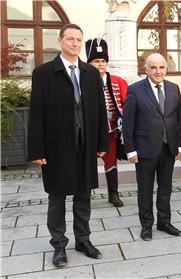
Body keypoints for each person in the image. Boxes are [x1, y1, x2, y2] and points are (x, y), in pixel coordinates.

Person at [27, 24, 108, 268]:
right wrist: (37, 149)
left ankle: (83, 239)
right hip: (56, 147)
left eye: (78, 40)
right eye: (70, 39)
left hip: (85, 144)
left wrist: (102, 141)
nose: (74, 43)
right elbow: (36, 114)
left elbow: (100, 110)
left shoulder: (91, 73)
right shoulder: (43, 73)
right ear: (60, 40)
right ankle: (59, 245)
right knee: (57, 197)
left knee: (84, 195)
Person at [122, 53, 181, 241]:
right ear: (146, 69)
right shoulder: (135, 90)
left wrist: (180, 144)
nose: (158, 71)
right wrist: (130, 149)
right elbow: (128, 122)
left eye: (162, 67)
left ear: (166, 68)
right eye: (154, 67)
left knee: (166, 187)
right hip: (144, 149)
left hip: (168, 147)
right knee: (145, 189)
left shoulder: (174, 88)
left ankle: (164, 221)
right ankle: (146, 225)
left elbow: (177, 119)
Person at [85, 37, 128, 207]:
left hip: (110, 131)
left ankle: (113, 193)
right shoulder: (83, 80)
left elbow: (127, 105)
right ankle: (84, 195)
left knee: (111, 162)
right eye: (97, 61)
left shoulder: (118, 82)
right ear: (89, 63)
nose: (101, 64)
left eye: (103, 61)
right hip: (89, 132)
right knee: (86, 164)